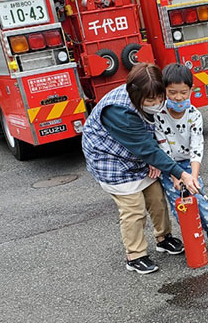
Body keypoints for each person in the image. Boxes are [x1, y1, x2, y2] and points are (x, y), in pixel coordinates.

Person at [82, 63, 200, 275]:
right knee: (133, 209)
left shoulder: (151, 97)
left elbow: (151, 139)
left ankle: (163, 238)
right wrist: (180, 173)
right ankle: (135, 255)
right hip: (111, 160)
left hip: (140, 154)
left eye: (159, 98)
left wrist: (155, 160)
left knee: (157, 199)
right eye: (150, 101)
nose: (156, 104)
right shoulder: (118, 111)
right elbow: (145, 147)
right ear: (136, 96)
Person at [153, 63, 208, 256]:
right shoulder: (159, 114)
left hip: (189, 165)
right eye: (172, 92)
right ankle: (193, 238)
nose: (178, 97)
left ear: (191, 89)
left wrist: (194, 176)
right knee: (181, 206)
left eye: (183, 92)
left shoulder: (194, 115)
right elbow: (161, 145)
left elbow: (197, 146)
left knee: (200, 201)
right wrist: (174, 176)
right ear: (164, 91)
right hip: (168, 167)